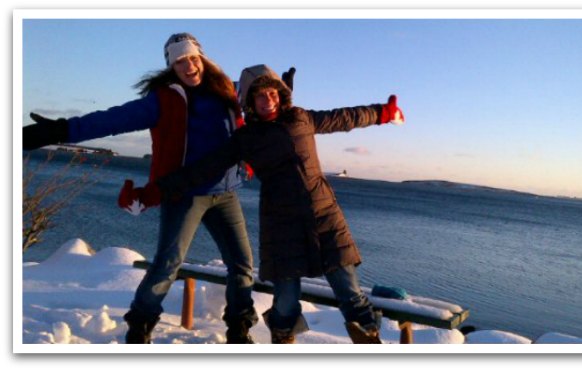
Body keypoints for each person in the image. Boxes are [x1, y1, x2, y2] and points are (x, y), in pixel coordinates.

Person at [22, 33, 260, 344]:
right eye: (179, 62)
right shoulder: (164, 99)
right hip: (184, 193)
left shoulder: (225, 90)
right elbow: (113, 119)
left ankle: (239, 329)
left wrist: (278, 104)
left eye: (191, 58)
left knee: (242, 265)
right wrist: (62, 129)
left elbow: (252, 121)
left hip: (226, 192)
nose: (188, 66)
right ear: (171, 67)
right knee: (167, 264)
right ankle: (140, 325)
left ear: (201, 58)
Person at [156, 64, 405, 344]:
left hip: (323, 214)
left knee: (348, 288)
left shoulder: (300, 118)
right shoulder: (247, 138)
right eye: (260, 95)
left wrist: (382, 112)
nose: (268, 100)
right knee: (286, 300)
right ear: (250, 101)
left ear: (281, 94)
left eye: (272, 93)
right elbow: (208, 166)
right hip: (280, 224)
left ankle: (370, 340)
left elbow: (343, 117)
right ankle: (283, 342)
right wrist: (160, 188)